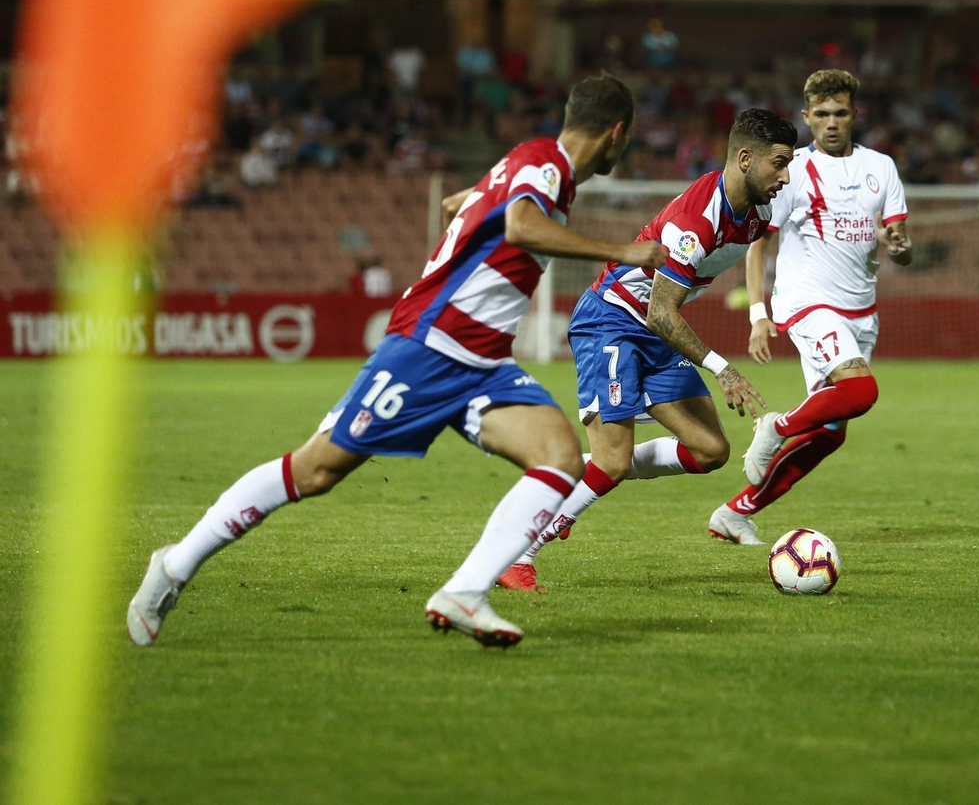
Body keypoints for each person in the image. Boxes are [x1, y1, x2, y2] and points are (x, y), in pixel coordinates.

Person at [127, 75, 666, 648]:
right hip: (430, 346)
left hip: (482, 362)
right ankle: (175, 564)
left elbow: (479, 204)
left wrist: (471, 197)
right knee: (316, 470)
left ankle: (465, 591)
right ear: (617, 132)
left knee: (559, 454)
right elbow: (519, 224)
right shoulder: (546, 164)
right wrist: (620, 251)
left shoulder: (530, 165)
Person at [497, 108, 797, 590]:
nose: (785, 176)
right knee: (614, 460)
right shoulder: (695, 223)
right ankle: (521, 551)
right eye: (779, 163)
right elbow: (660, 312)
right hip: (612, 322)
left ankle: (585, 481)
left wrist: (759, 312)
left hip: (655, 330)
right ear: (745, 158)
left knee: (710, 450)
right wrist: (723, 369)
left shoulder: (758, 210)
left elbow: (753, 249)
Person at [709, 69, 912, 544]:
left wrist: (900, 247)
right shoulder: (792, 168)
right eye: (821, 114)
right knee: (862, 391)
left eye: (840, 112)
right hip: (807, 301)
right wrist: (759, 315)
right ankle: (774, 425)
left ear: (854, 114)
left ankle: (735, 513)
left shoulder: (881, 168)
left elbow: (899, 241)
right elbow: (758, 244)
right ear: (806, 117)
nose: (832, 122)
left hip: (862, 311)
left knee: (831, 433)